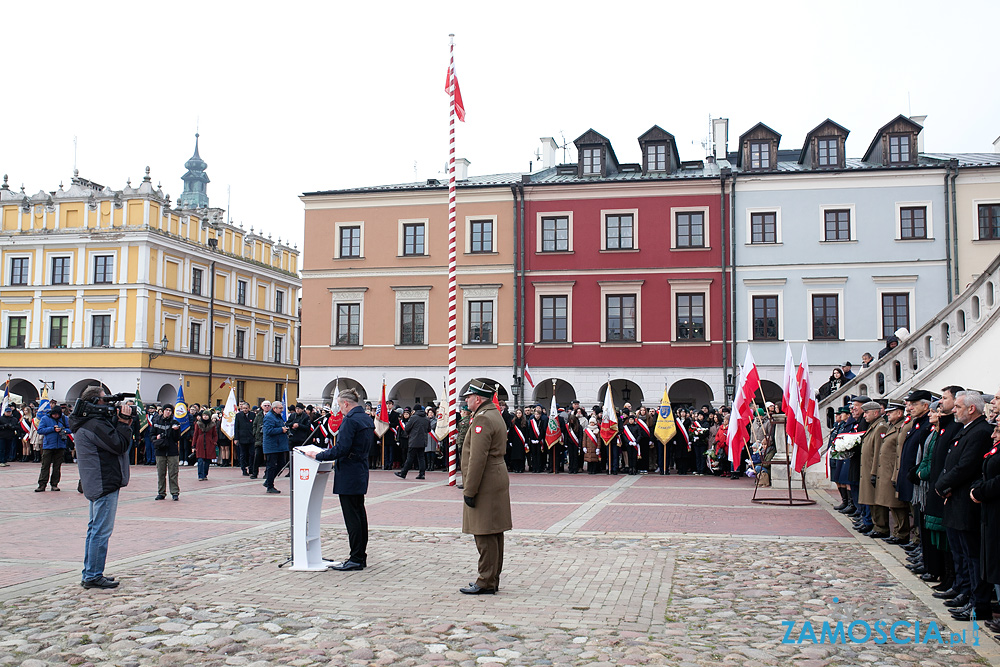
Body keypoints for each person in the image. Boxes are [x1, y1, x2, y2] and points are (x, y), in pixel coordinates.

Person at [935, 391, 994, 622]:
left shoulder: (980, 431)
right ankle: (964, 591)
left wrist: (943, 484)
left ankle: (977, 601)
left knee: (972, 555)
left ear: (971, 408)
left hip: (966, 502)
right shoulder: (967, 429)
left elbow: (966, 466)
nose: (954, 410)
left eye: (958, 406)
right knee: (961, 552)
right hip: (955, 498)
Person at [302, 388, 374, 571]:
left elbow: (342, 449)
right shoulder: (365, 417)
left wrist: (318, 455)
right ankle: (360, 556)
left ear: (346, 403)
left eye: (340, 405)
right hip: (359, 470)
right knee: (359, 515)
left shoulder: (350, 420)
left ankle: (356, 558)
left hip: (349, 472)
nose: (339, 409)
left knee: (352, 518)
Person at [73, 386, 133, 589]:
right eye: (105, 401)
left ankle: (91, 572)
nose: (108, 405)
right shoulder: (94, 425)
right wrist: (124, 422)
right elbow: (119, 444)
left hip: (98, 480)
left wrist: (118, 421)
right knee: (100, 531)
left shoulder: (88, 423)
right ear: (96, 403)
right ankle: (92, 575)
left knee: (95, 529)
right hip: (103, 481)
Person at [459, 379, 512, 595]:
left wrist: (469, 490)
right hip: (494, 476)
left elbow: (477, 458)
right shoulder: (492, 414)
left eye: (468, 397)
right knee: (493, 531)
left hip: (485, 481)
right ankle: (491, 578)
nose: (466, 400)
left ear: (478, 399)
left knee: (484, 533)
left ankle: (486, 580)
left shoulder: (483, 419)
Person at [36, 404, 72, 491]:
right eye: (54, 414)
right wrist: (52, 429)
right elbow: (40, 430)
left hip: (60, 445)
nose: (55, 416)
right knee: (45, 465)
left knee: (57, 466)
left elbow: (70, 429)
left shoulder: (64, 418)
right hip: (48, 445)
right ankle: (42, 484)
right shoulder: (45, 418)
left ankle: (54, 484)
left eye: (57, 414)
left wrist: (63, 430)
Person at [151, 405, 181, 501]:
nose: (168, 412)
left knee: (173, 473)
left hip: (172, 451)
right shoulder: (156, 422)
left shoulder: (174, 422)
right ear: (163, 411)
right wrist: (157, 438)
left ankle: (175, 492)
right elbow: (151, 435)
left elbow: (177, 438)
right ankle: (161, 492)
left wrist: (175, 431)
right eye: (166, 410)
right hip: (160, 450)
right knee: (161, 473)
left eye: (170, 410)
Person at [396, 404, 429, 480]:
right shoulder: (426, 418)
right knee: (421, 458)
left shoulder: (413, 418)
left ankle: (403, 473)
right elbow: (429, 429)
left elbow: (407, 428)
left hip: (414, 440)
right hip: (423, 441)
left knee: (410, 458)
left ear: (414, 410)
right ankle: (422, 474)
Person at [262, 401, 289, 494]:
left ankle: (269, 480)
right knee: (271, 466)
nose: (282, 410)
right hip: (272, 446)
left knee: (282, 464)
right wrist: (281, 429)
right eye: (280, 408)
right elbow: (268, 431)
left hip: (280, 446)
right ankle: (270, 485)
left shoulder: (278, 416)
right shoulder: (269, 417)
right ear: (274, 408)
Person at [192, 410, 218, 481]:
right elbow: (195, 434)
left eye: (206, 415)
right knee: (200, 460)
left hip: (209, 443)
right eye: (204, 415)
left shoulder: (212, 424)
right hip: (200, 443)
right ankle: (200, 475)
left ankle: (205, 474)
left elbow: (215, 435)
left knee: (207, 460)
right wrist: (193, 445)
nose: (205, 417)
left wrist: (214, 442)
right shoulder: (198, 424)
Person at [251, 400, 271, 479]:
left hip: (268, 439)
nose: (266, 407)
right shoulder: (258, 415)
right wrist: (255, 433)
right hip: (259, 439)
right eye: (265, 405)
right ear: (262, 407)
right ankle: (254, 473)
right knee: (257, 457)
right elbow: (254, 425)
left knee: (268, 458)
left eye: (268, 405)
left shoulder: (272, 415)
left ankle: (267, 473)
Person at [235, 402, 255, 476]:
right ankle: (243, 469)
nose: (245, 410)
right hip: (242, 438)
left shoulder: (253, 415)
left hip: (251, 438)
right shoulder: (238, 415)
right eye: (243, 408)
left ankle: (251, 468)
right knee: (243, 455)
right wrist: (236, 438)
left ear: (249, 408)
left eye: (246, 408)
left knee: (252, 454)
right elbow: (236, 427)